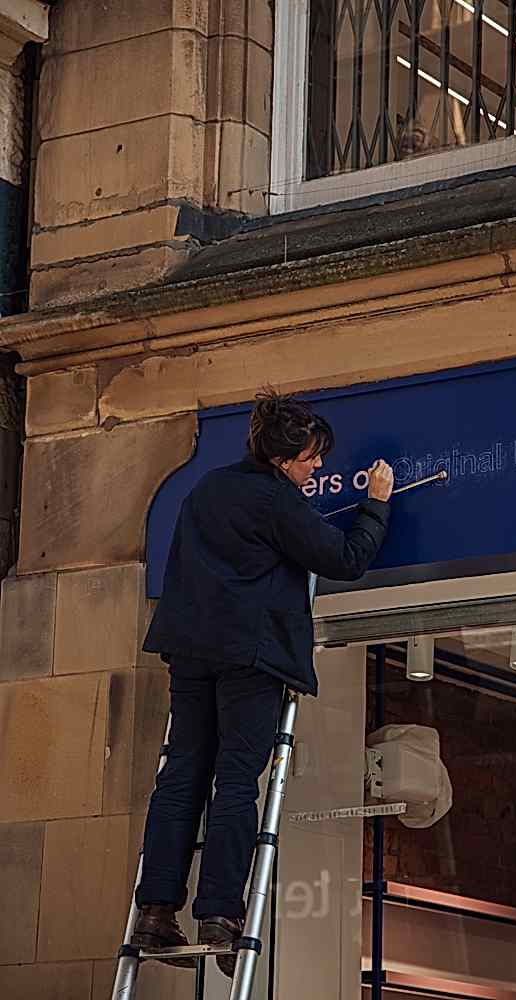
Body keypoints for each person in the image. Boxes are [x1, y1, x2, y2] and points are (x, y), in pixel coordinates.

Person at [131, 388, 394, 976]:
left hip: (190, 651)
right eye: (310, 457)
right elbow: (347, 558)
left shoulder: (206, 489)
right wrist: (377, 504)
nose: (318, 466)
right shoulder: (277, 501)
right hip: (250, 657)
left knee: (181, 778)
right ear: (282, 460)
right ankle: (220, 915)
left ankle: (154, 911)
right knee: (235, 783)